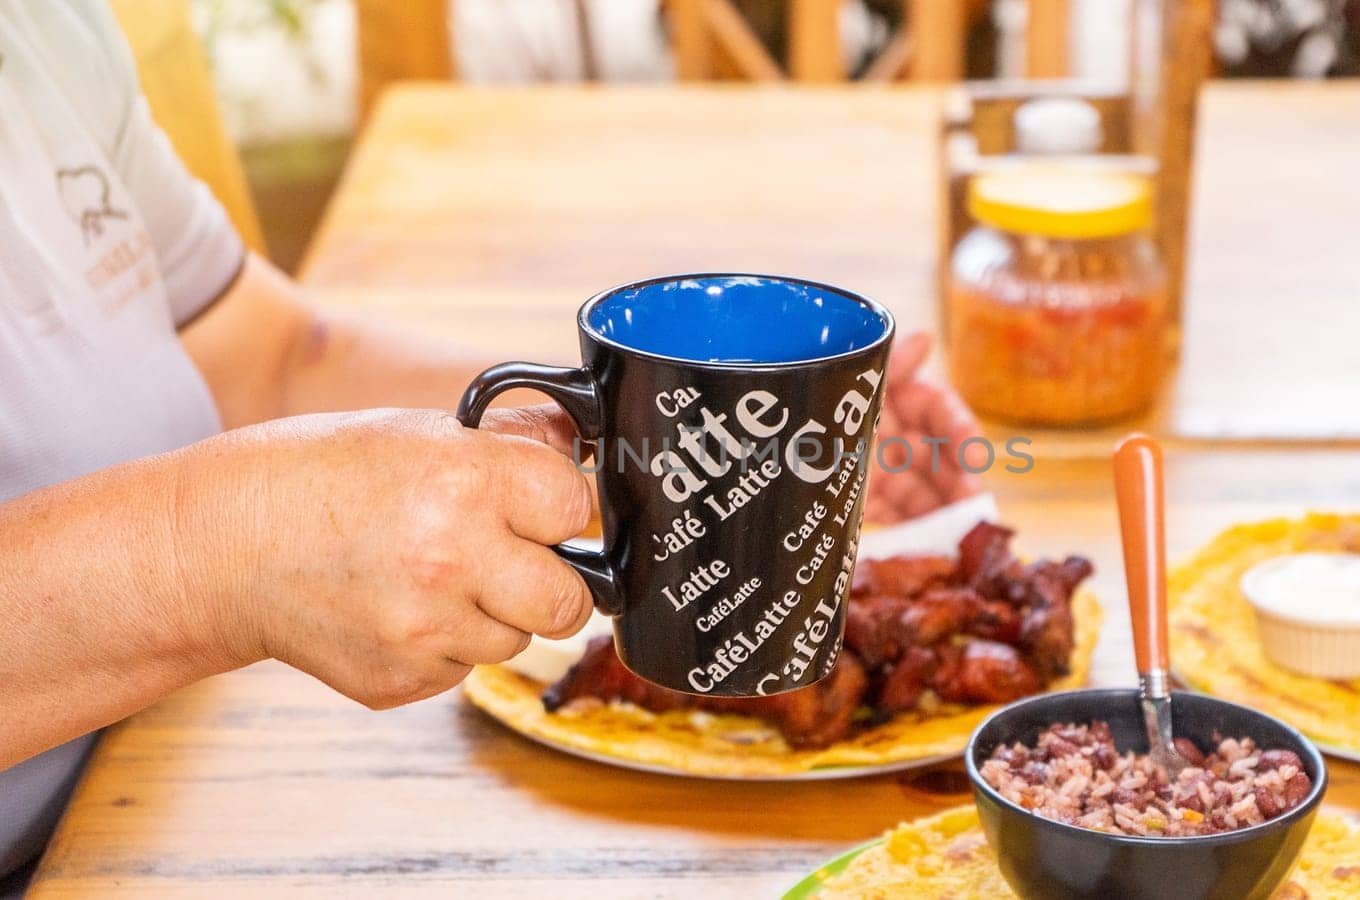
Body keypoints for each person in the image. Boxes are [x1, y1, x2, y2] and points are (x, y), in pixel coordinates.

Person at [0, 2, 980, 890]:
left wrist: (669, 422)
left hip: (158, 777)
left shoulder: (45, 28)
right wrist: (213, 554)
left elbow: (265, 354)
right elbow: (230, 523)